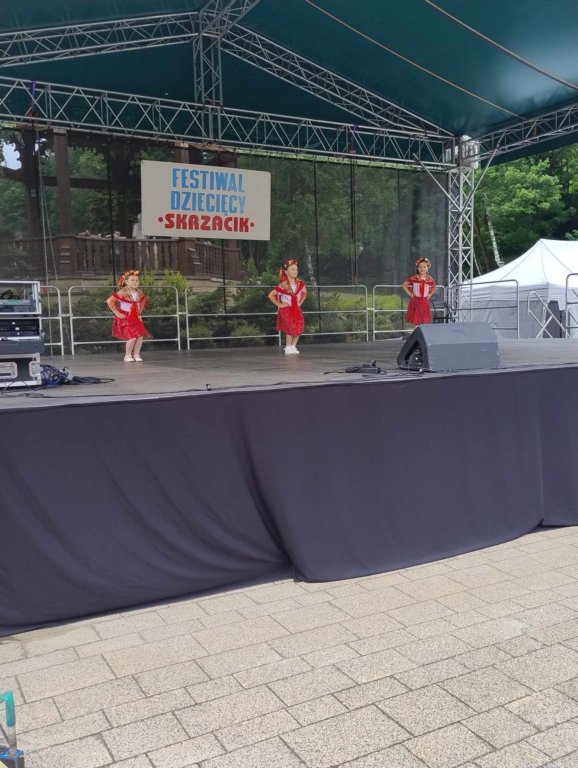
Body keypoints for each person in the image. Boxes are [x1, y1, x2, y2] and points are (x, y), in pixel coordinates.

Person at [106, 270, 151, 362]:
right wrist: (117, 313)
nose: (135, 282)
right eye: (132, 280)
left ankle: (137, 354)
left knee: (140, 336)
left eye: (137, 280)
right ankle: (127, 355)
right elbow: (109, 301)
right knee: (132, 336)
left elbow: (142, 302)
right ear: (126, 282)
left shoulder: (139, 293)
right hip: (126, 317)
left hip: (136, 317)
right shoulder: (122, 292)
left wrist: (139, 312)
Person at [268, 258, 307, 354]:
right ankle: (288, 347)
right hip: (287, 309)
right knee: (290, 327)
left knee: (299, 326)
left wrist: (300, 302)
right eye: (292, 269)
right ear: (286, 272)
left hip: (296, 308)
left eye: (296, 269)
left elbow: (304, 293)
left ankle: (293, 346)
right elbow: (271, 295)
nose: (295, 271)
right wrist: (279, 304)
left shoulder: (300, 283)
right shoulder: (283, 285)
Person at [402, 258, 436, 325]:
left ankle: (422, 331)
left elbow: (433, 287)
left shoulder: (429, 279)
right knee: (417, 321)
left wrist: (430, 294)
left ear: (427, 268)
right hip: (416, 301)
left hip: (424, 302)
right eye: (420, 267)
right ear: (417, 268)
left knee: (423, 321)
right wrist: (410, 294)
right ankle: (417, 330)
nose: (422, 269)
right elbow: (404, 285)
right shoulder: (414, 277)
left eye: (424, 267)